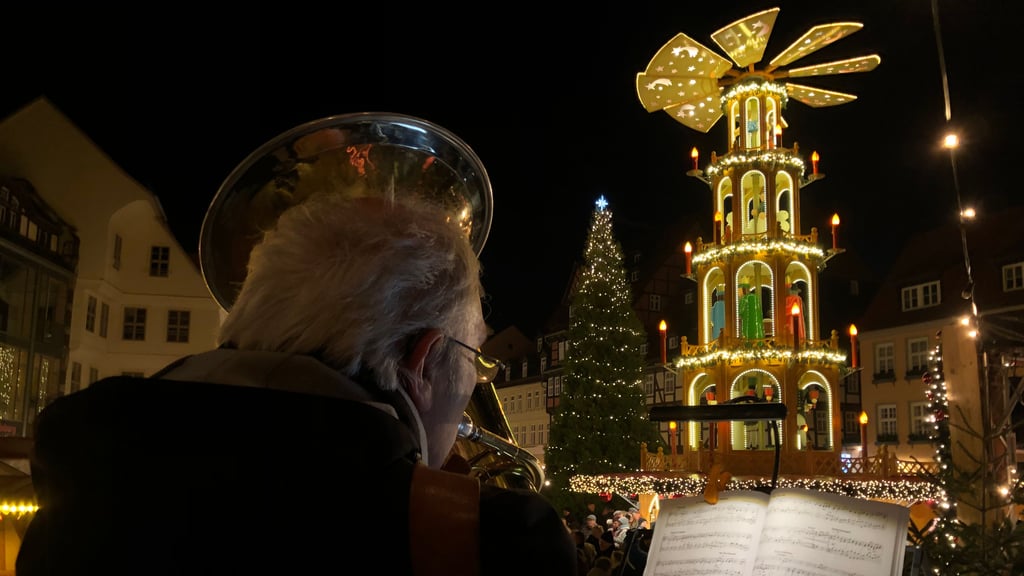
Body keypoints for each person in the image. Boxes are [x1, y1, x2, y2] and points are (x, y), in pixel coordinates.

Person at [16, 174, 577, 572]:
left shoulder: (80, 473)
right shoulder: (491, 540)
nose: (473, 384)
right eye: (473, 358)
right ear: (424, 361)